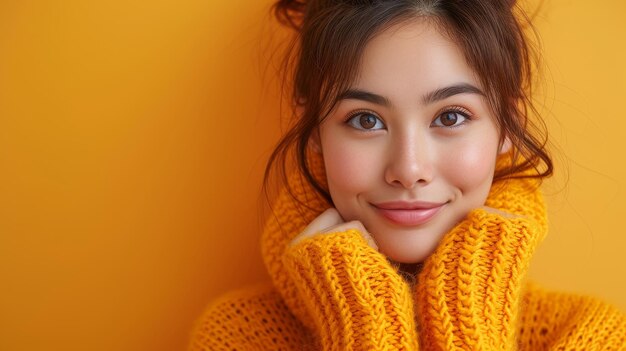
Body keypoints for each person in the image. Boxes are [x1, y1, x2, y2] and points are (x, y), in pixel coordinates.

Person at [188, 0, 626, 349]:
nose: (409, 169)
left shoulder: (590, 335)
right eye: (365, 120)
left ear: (507, 126)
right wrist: (361, 316)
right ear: (315, 130)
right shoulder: (240, 336)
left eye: (451, 116)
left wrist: (466, 312)